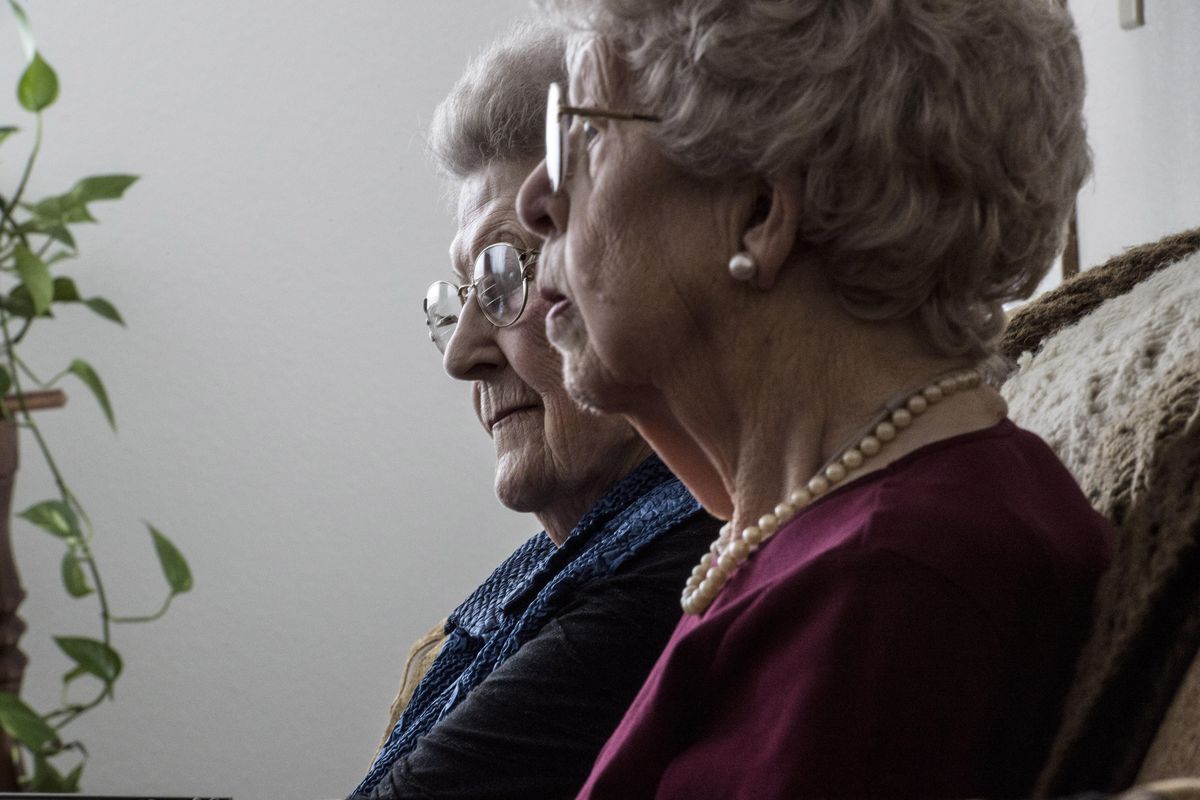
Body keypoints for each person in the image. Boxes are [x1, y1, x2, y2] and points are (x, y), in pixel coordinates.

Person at [515, 1, 1116, 798]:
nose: (535, 199)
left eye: (582, 131)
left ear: (760, 213)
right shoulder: (835, 536)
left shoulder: (891, 583)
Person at [348, 22, 718, 800]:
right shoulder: (544, 583)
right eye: (465, 295)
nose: (462, 357)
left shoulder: (676, 577)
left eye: (505, 275)